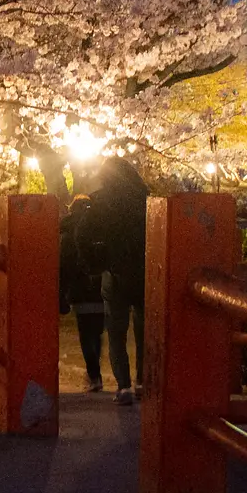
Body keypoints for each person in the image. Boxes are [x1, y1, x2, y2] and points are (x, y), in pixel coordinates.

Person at [78, 156, 149, 404]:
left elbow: (81, 233)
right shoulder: (146, 200)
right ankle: (143, 381)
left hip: (114, 273)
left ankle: (124, 386)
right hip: (144, 272)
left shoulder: (99, 201)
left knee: (116, 332)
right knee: (144, 332)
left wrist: (94, 263)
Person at [59, 193, 108, 392]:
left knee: (85, 333)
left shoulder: (68, 232)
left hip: (79, 289)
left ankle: (94, 374)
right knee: (97, 333)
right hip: (100, 288)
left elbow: (63, 264)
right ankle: (95, 373)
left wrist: (62, 292)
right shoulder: (101, 229)